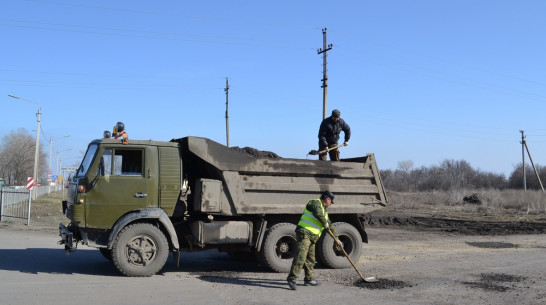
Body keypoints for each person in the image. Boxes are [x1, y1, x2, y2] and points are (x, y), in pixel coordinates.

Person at [287, 191, 337, 290]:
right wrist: (324, 222)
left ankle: (309, 279)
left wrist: (337, 239)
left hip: (313, 237)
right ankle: (292, 279)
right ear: (327, 199)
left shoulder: (324, 211)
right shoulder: (315, 203)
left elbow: (329, 225)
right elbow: (317, 213)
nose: (330, 204)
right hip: (305, 233)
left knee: (311, 259)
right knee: (301, 256)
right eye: (331, 202)